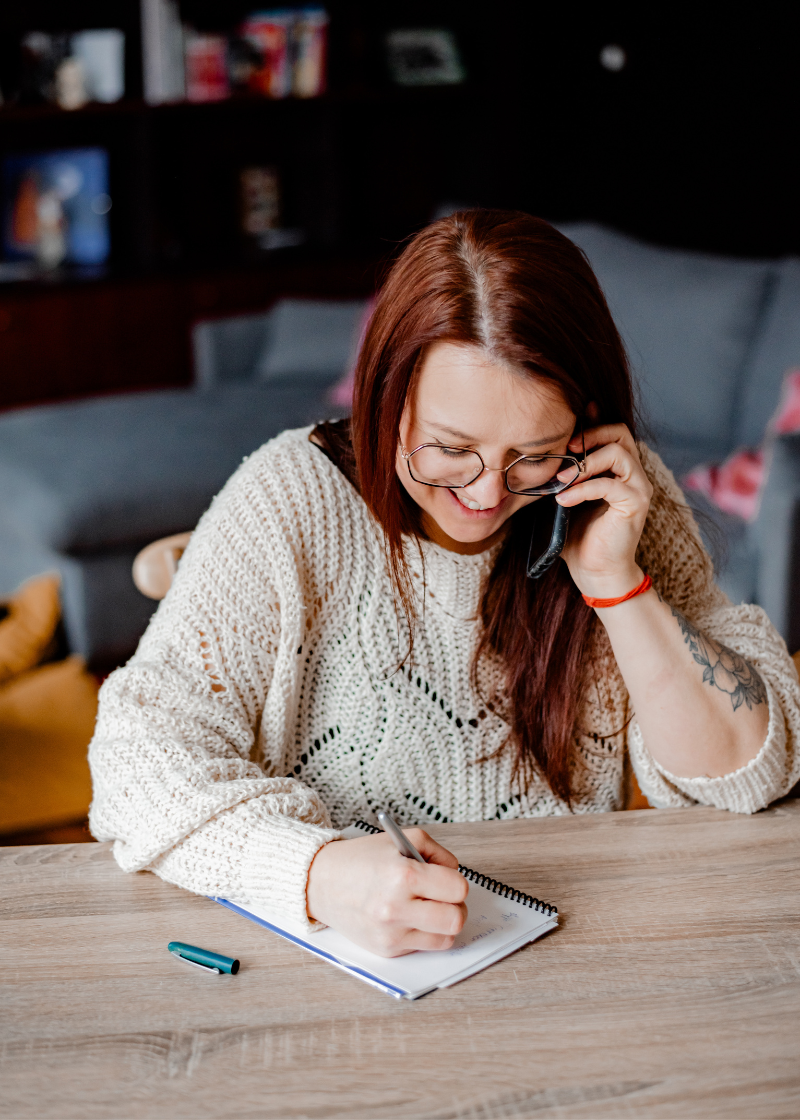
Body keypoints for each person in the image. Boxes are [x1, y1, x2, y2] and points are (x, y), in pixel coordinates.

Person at [89, 211, 800, 958]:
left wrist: (615, 584)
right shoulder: (290, 493)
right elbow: (135, 762)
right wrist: (319, 873)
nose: (488, 495)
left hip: (559, 953)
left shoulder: (615, 496)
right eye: (450, 449)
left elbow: (748, 775)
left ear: (585, 426)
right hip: (332, 962)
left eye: (531, 454)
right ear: (387, 398)